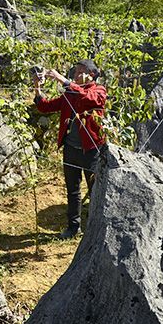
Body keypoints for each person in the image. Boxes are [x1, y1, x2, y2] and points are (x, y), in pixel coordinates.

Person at [33, 59, 107, 239]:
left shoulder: (99, 90)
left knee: (95, 190)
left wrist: (63, 80)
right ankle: (73, 228)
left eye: (79, 71)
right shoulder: (70, 93)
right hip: (71, 149)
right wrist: (37, 87)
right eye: (74, 71)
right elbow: (45, 107)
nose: (74, 74)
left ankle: (97, 228)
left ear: (91, 74)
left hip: (91, 150)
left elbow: (88, 98)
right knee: (72, 190)